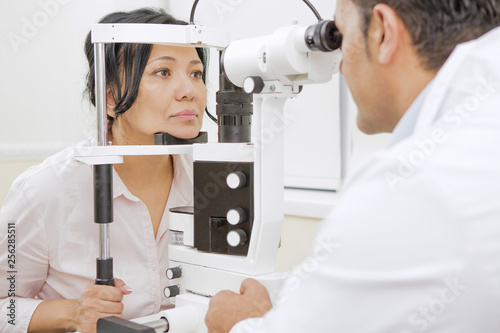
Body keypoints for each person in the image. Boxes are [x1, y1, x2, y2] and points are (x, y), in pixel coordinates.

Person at [205, 0, 500, 332]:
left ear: (384, 32)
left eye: (341, 37)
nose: (341, 66)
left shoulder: (410, 188)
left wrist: (238, 321)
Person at [0, 8, 207, 333]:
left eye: (196, 73)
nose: (189, 91)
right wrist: (73, 313)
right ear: (111, 98)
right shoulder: (43, 191)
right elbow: (3, 308)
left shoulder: (212, 180)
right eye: (163, 72)